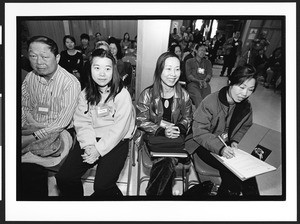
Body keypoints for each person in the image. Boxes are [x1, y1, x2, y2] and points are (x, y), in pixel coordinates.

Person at [55, 49, 135, 199]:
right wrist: (89, 146)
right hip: (91, 138)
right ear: (90, 69)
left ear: (114, 71)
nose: (102, 73)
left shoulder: (121, 94)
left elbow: (120, 128)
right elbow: (82, 123)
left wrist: (98, 150)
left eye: (107, 68)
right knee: (64, 177)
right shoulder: (85, 94)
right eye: (97, 68)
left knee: (102, 186)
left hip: (116, 141)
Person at [20, 35, 81, 199]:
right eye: (33, 56)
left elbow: (62, 122)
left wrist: (32, 137)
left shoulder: (70, 83)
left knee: (32, 170)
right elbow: (24, 107)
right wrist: (27, 128)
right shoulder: (30, 78)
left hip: (58, 131)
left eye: (45, 57)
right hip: (31, 127)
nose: (38, 62)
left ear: (58, 57)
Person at [186, 64, 259, 197]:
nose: (245, 93)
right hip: (202, 144)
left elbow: (245, 127)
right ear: (230, 82)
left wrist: (236, 140)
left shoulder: (246, 106)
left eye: (250, 89)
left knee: (249, 174)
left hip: (227, 144)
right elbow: (199, 132)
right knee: (233, 171)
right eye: (242, 87)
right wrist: (221, 148)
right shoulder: (210, 102)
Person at [136, 51, 192, 196]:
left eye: (177, 69)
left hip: (174, 139)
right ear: (159, 70)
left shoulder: (184, 95)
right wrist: (162, 130)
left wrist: (179, 128)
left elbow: (188, 117)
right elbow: (141, 119)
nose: (173, 74)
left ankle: (153, 195)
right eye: (168, 69)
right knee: (168, 161)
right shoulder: (147, 94)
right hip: (154, 138)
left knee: (166, 161)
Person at [185, 43, 212, 108]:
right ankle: (200, 116)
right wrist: (198, 81)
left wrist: (205, 80)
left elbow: (209, 74)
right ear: (196, 51)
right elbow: (189, 76)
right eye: (201, 50)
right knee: (198, 98)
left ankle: (205, 115)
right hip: (193, 84)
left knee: (207, 100)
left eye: (204, 50)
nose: (203, 52)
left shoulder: (207, 62)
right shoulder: (189, 61)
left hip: (204, 83)